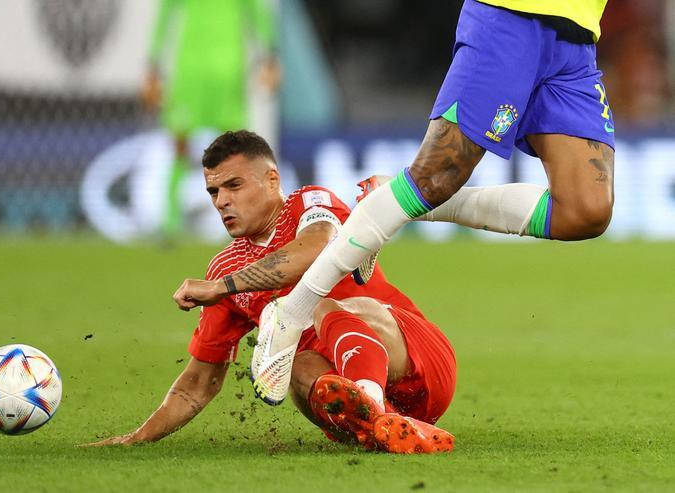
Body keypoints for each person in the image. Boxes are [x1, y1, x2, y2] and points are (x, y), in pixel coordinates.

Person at [251, 0, 617, 404]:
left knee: (585, 210)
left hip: (576, 35)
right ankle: (291, 313)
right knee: (436, 174)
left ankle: (393, 196)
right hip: (512, 17)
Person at [86, 130, 455, 454]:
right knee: (297, 367)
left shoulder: (309, 203)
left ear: (271, 179)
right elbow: (199, 383)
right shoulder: (225, 268)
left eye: (233, 186)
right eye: (213, 191)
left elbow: (315, 249)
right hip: (360, 392)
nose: (221, 201)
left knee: (324, 307)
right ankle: (389, 426)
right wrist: (138, 438)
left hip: (417, 359)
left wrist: (222, 287)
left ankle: (373, 407)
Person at [143, 0, 279, 240]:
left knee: (235, 150)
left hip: (221, 71)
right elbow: (166, 13)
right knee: (182, 146)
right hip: (196, 70)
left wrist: (270, 57)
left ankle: (239, 224)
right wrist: (153, 66)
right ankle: (171, 222)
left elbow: (257, 13)